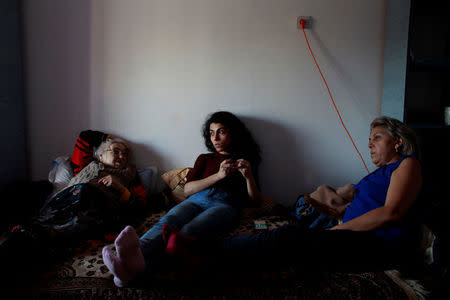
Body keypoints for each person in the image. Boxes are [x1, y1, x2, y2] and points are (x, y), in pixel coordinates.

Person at [103, 116, 425, 285]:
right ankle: (136, 257)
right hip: (356, 237)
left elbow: (390, 212)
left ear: (398, 141)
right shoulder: (376, 176)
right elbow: (187, 191)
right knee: (170, 220)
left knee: (285, 237)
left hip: (375, 243)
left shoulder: (407, 165)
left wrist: (338, 231)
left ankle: (191, 253)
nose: (369, 145)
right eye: (369, 139)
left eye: (376, 138)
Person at [102, 111, 262, 287]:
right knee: (168, 221)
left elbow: (255, 202)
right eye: (211, 132)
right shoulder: (205, 158)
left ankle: (136, 269)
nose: (215, 137)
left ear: (233, 133)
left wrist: (248, 177)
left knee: (190, 230)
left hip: (225, 204)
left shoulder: (245, 160)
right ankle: (129, 257)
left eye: (221, 131)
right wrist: (219, 175)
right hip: (196, 199)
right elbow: (187, 190)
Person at [0, 130, 147, 270]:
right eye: (116, 151)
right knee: (32, 227)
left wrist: (120, 188)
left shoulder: (130, 175)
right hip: (64, 201)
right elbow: (85, 136)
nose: (122, 156)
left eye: (125, 154)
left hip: (93, 209)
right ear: (101, 156)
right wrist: (111, 138)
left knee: (48, 235)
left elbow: (141, 206)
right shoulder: (85, 166)